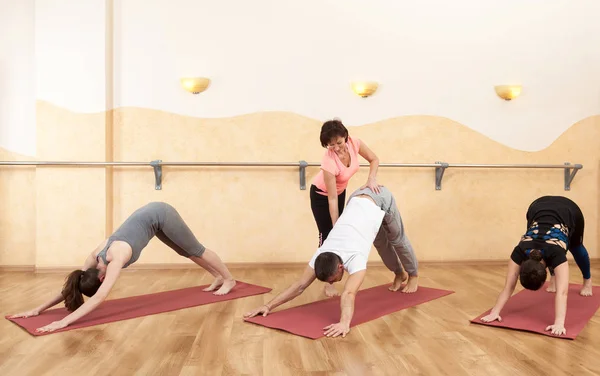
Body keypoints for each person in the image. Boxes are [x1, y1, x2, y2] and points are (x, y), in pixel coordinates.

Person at [8, 201, 236, 333]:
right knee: (183, 251)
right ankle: (216, 276)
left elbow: (99, 299)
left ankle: (228, 279)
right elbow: (70, 286)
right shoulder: (92, 260)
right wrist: (38, 309)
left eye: (102, 284)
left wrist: (63, 322)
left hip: (161, 213)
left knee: (195, 248)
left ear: (99, 279)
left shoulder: (116, 256)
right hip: (150, 219)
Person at [244, 186, 419, 338]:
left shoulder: (355, 257)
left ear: (341, 266)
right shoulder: (321, 253)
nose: (331, 282)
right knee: (381, 245)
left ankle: (413, 275)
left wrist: (344, 323)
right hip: (356, 199)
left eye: (332, 279)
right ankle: (399, 274)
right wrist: (268, 306)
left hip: (379, 197)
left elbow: (349, 294)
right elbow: (299, 286)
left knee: (397, 240)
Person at [480, 195, 592, 336]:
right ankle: (553, 277)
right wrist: (494, 312)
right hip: (538, 206)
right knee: (548, 247)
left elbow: (562, 292)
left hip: (569, 210)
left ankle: (587, 280)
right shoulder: (519, 251)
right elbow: (508, 287)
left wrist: (559, 323)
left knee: (576, 247)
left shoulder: (556, 253)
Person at [310, 118, 380, 297]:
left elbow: (374, 159)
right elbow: (331, 199)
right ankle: (328, 281)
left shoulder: (355, 143)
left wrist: (371, 179)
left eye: (339, 142)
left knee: (339, 234)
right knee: (328, 236)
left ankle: (338, 269)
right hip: (321, 196)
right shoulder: (328, 162)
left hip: (339, 193)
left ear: (345, 137)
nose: (336, 147)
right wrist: (337, 226)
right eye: (331, 145)